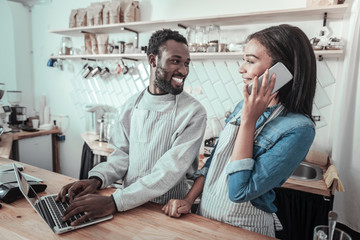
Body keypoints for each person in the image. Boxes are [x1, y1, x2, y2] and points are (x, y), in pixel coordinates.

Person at [162, 24, 316, 237]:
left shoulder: (299, 129)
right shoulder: (241, 106)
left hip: (246, 228)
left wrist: (249, 121)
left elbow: (239, 191)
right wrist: (189, 200)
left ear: (282, 71)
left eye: (250, 61)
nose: (241, 68)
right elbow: (214, 163)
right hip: (206, 218)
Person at [57, 29, 207, 225]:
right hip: (129, 207)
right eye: (175, 61)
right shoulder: (131, 105)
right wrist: (97, 179)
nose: (184, 70)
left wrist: (114, 201)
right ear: (153, 60)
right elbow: (121, 156)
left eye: (186, 63)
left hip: (168, 211)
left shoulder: (194, 112)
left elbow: (168, 172)